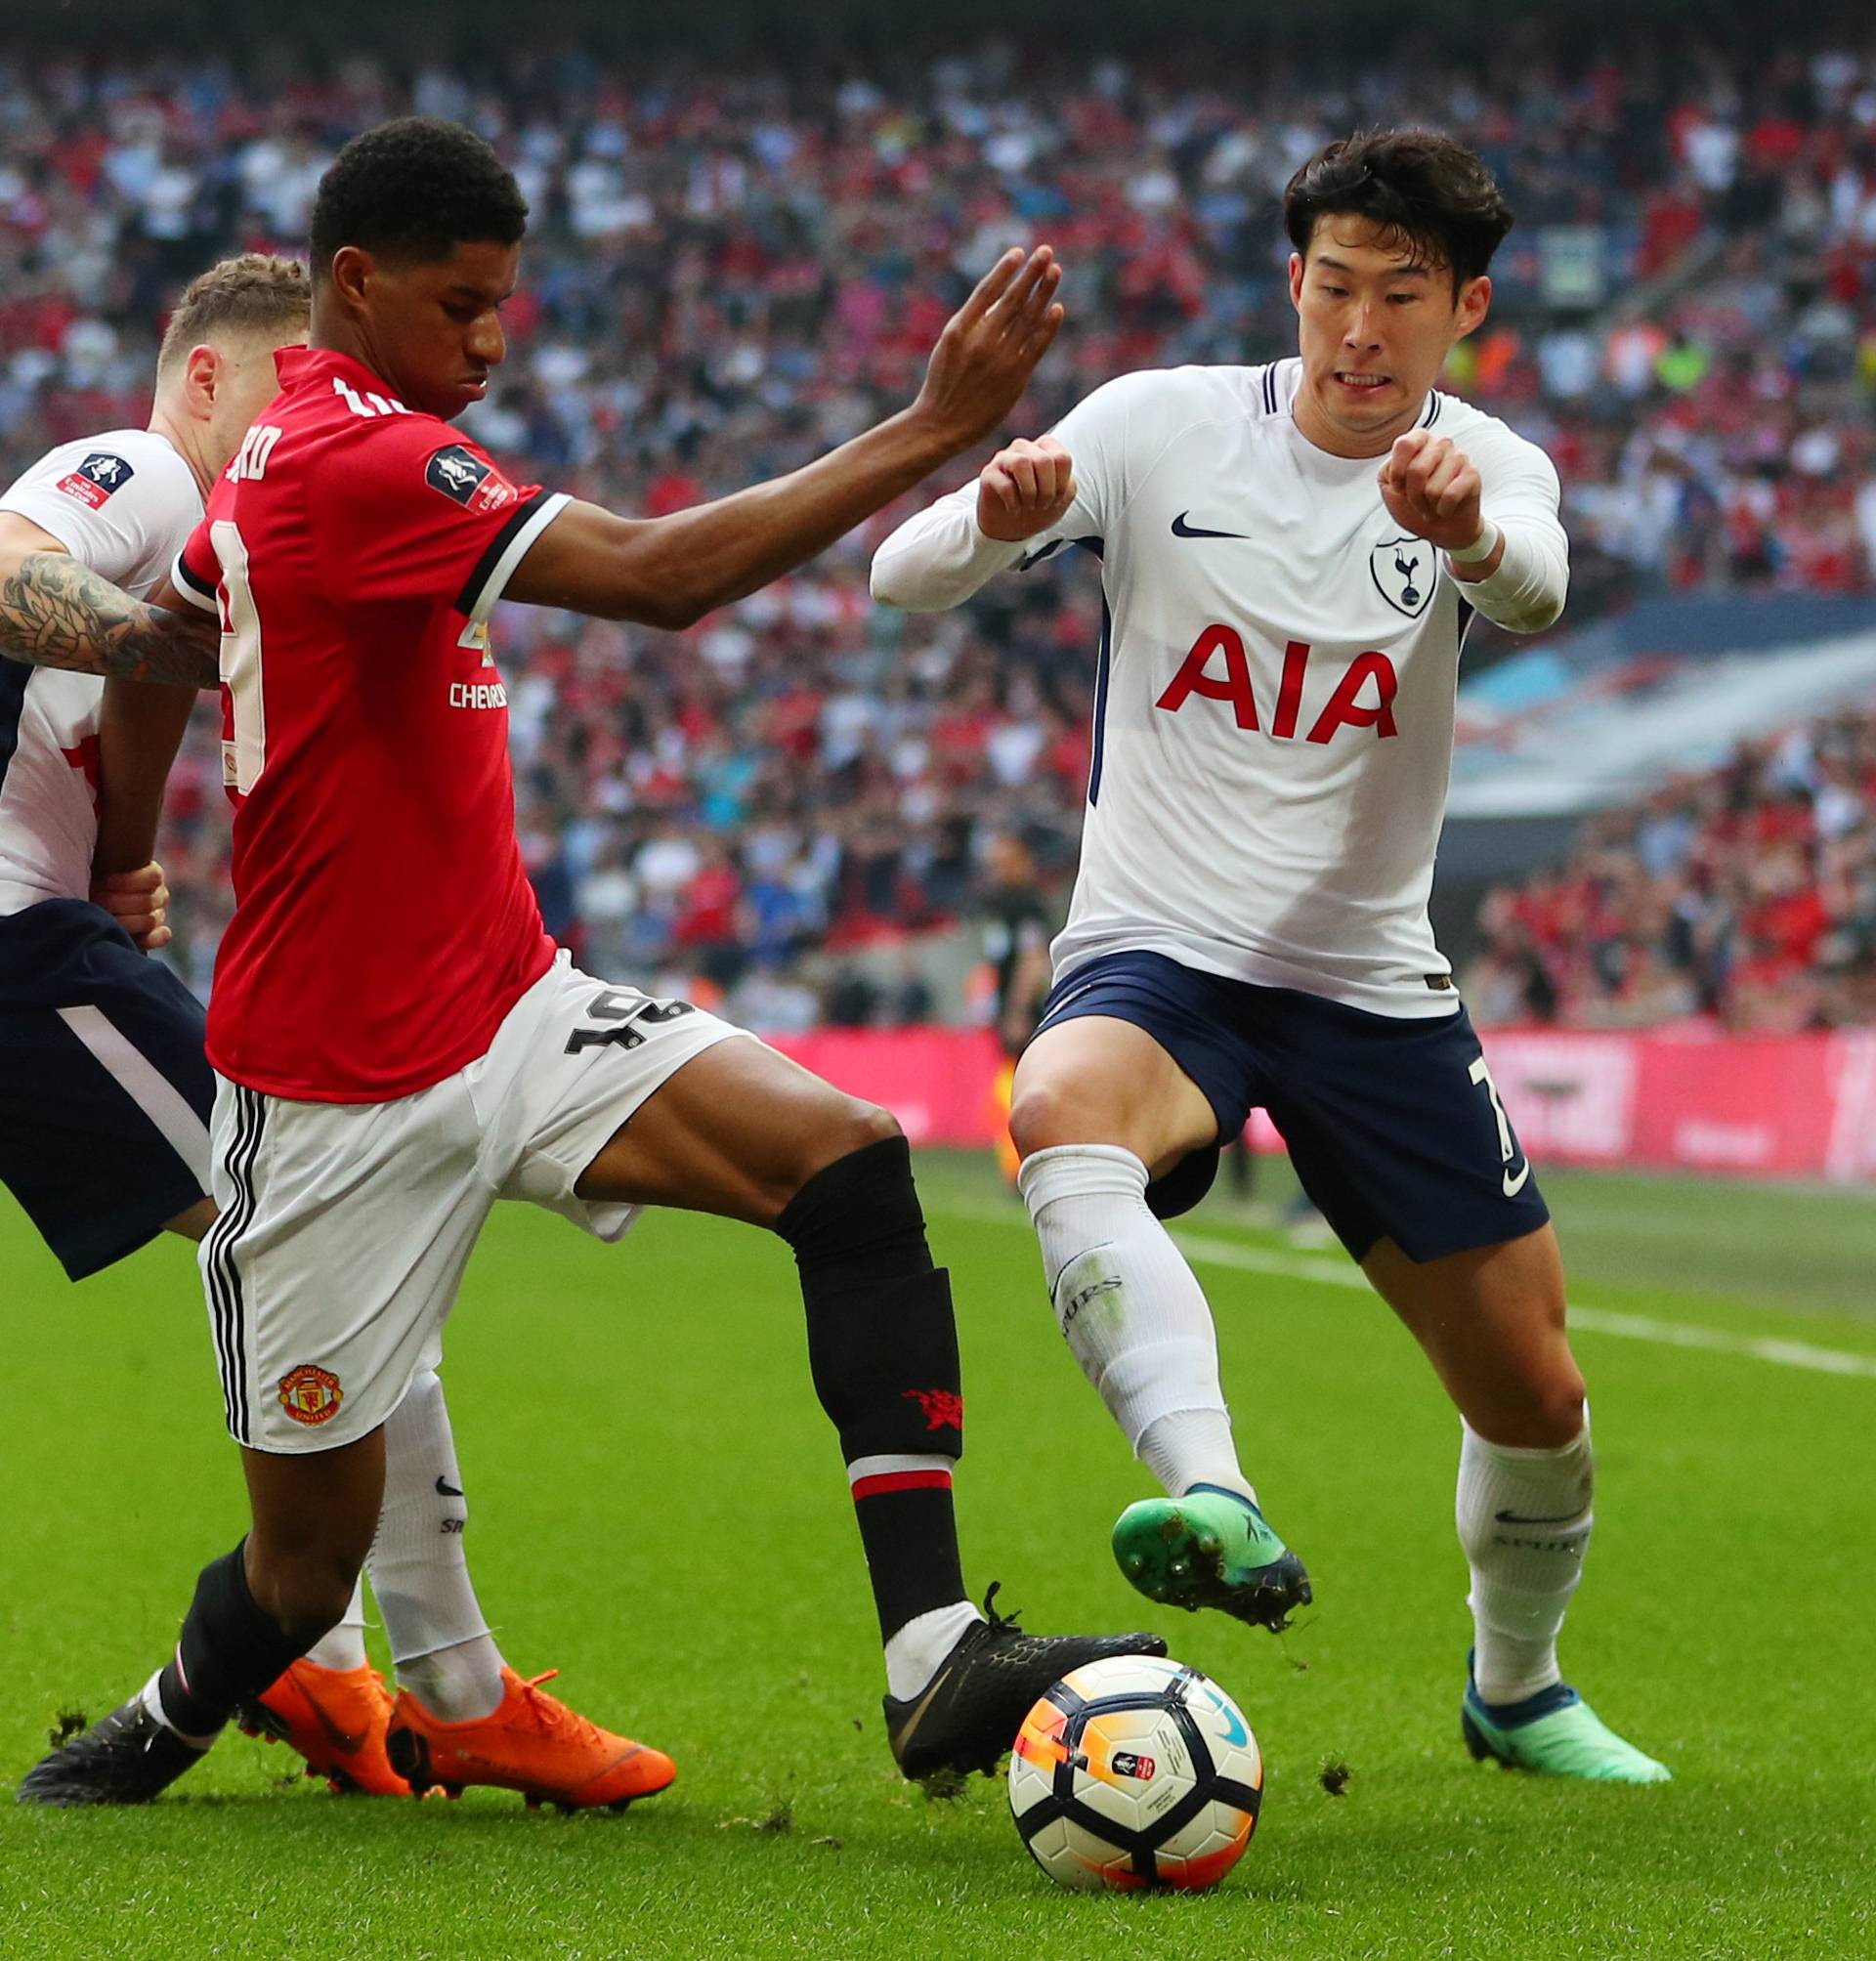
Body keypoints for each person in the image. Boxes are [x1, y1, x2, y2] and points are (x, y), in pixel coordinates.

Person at [3, 118, 1159, 1810]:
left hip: (514, 1008)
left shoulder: (315, 461)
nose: (494, 338)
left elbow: (175, 636)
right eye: (463, 305)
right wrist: (930, 430)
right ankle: (168, 1724)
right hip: (330, 1095)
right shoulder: (341, 457)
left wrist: (126, 842)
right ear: (357, 283)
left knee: (846, 1166)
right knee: (301, 1574)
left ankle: (933, 1660)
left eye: (507, 305)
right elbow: (668, 580)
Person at [872, 128, 1668, 1783]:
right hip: (1162, 954)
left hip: (1372, 987)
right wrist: (995, 516)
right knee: (1059, 1105)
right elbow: (899, 578)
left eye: (1401, 296)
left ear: (1467, 308)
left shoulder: (1488, 460)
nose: (1361, 329)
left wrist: (1466, 534)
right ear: (1290, 285)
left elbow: (1534, 587)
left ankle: (1515, 1689)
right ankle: (1212, 1488)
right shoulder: (1160, 424)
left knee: (1538, 1401)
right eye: (1333, 288)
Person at [0, 253, 648, 1802]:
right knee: (329, 1226)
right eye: (291, 385)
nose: (317, 424)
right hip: (15, 955)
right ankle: (446, 1684)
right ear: (210, 378)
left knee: (324, 1241)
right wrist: (192, 644)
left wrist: (124, 843)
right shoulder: (154, 471)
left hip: (48, 929)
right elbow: (6, 567)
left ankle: (339, 1665)